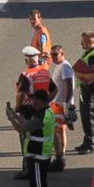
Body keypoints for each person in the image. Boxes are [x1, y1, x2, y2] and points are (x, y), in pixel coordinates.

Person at [5, 89, 55, 187]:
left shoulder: (41, 117)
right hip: (39, 157)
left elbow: (23, 128)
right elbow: (27, 122)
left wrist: (11, 119)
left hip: (38, 158)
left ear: (41, 101)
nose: (32, 102)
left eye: (34, 100)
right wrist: (15, 114)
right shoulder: (44, 113)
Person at [14, 46, 57, 178]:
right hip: (42, 109)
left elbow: (21, 94)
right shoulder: (44, 73)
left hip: (28, 109)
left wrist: (17, 107)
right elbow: (54, 90)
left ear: (26, 59)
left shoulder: (26, 75)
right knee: (40, 137)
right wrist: (46, 102)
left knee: (26, 138)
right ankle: (41, 163)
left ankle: (27, 169)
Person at [73, 31, 94, 154]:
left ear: (89, 42)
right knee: (85, 116)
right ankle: (86, 141)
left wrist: (78, 74)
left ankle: (91, 144)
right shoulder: (89, 53)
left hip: (91, 89)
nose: (81, 43)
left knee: (89, 116)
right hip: (86, 88)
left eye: (83, 41)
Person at [47, 44, 76, 171]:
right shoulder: (60, 66)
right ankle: (61, 155)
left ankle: (60, 157)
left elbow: (70, 86)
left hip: (60, 104)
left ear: (62, 54)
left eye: (55, 54)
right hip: (57, 104)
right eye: (51, 54)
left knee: (57, 131)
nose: (52, 57)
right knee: (60, 130)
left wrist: (66, 104)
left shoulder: (64, 67)